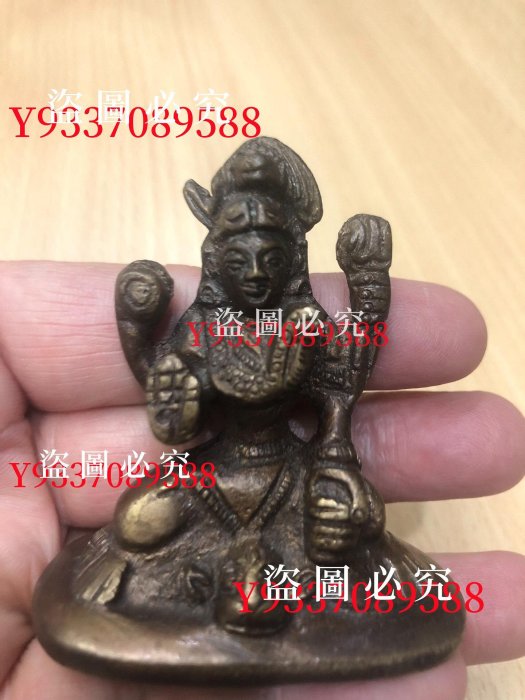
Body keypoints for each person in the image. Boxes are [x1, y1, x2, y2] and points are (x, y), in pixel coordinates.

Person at [0, 261, 524, 699]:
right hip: (214, 467)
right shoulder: (206, 325)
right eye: (240, 255)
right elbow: (172, 416)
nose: (254, 271)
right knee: (138, 521)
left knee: (346, 522)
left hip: (286, 468)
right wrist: (142, 335)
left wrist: (368, 294)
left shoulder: (304, 323)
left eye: (269, 255)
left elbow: (341, 389)